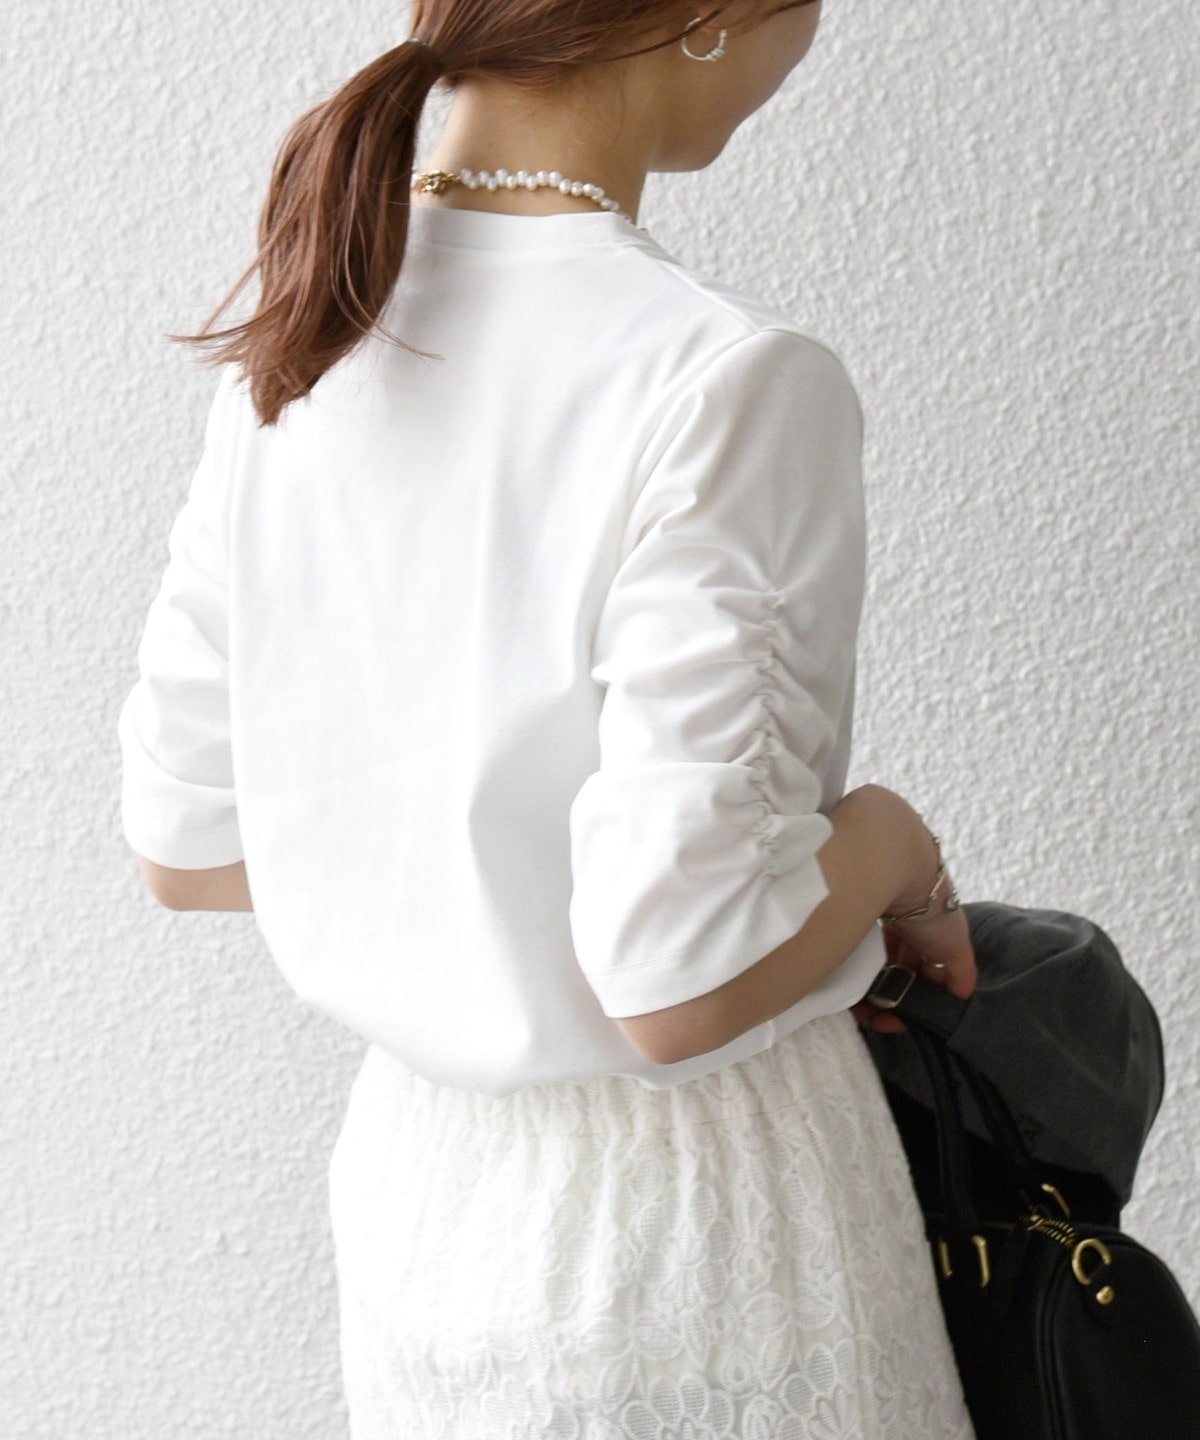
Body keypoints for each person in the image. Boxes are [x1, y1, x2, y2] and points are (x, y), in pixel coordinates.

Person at [117, 0, 980, 1434]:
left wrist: (463, 884)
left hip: (422, 1213)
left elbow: (188, 841)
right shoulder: (723, 378)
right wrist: (895, 844)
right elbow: (685, 980)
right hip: (697, 1232)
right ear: (709, 18)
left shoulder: (315, 323)